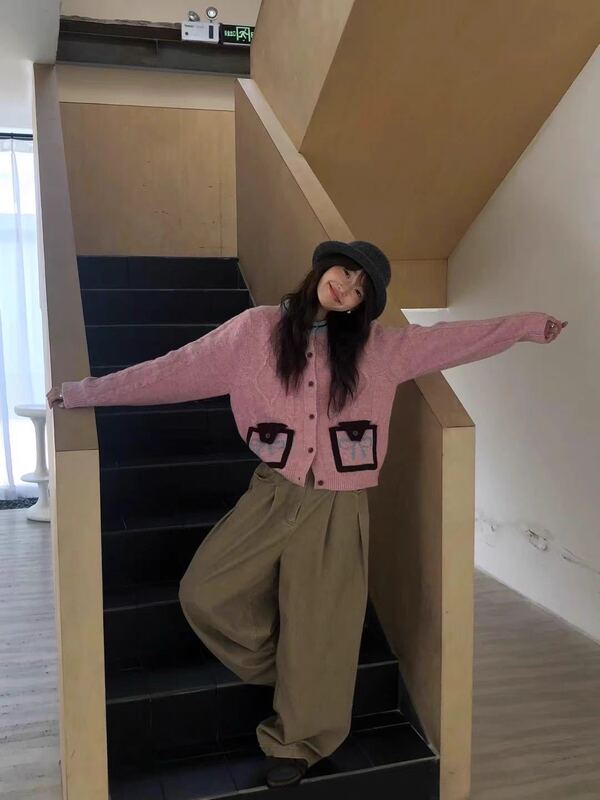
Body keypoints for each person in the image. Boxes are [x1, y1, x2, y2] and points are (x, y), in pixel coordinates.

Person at [46, 240, 567, 788]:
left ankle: (298, 744)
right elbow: (174, 371)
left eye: (361, 291)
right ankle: (294, 674)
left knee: (324, 627)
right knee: (205, 591)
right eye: (346, 272)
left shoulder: (379, 349)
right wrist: (86, 392)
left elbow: (455, 339)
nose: (347, 288)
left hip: (340, 504)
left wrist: (526, 326)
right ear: (324, 267)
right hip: (273, 493)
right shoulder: (253, 332)